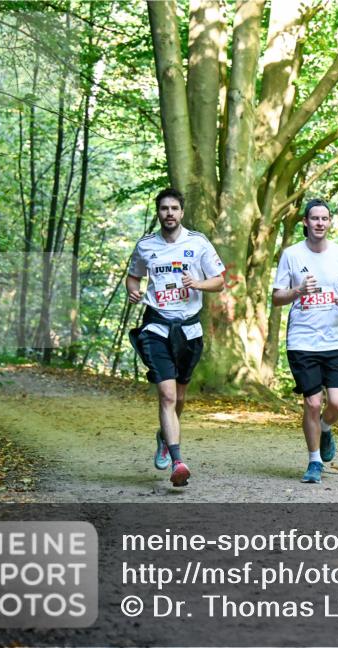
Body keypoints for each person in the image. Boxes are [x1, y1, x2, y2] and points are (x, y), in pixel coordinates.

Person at [126, 188, 225, 487]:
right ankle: (178, 461)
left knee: (180, 397)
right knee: (167, 395)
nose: (169, 213)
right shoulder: (146, 245)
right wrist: (133, 290)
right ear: (158, 212)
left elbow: (220, 281)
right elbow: (134, 275)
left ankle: (164, 437)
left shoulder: (197, 243)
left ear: (182, 213)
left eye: (174, 209)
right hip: (156, 326)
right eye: (164, 209)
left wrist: (197, 283)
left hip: (189, 330)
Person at [272, 199, 338, 483]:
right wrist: (298, 291)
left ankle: (325, 428)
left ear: (330, 222)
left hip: (334, 341)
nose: (320, 223)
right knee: (311, 402)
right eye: (315, 218)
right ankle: (314, 462)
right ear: (305, 223)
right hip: (302, 341)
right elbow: (276, 298)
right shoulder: (292, 255)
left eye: (325, 218)